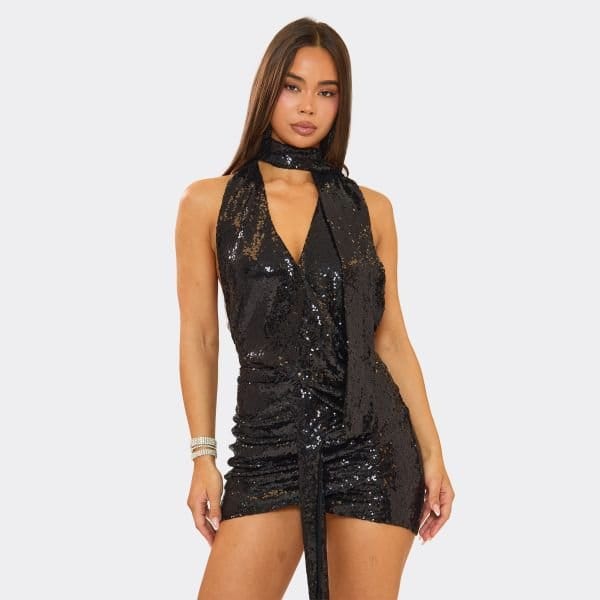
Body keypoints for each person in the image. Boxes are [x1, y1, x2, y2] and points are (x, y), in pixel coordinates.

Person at [175, 17, 455, 600]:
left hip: (372, 447)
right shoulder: (208, 202)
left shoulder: (372, 210)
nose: (308, 107)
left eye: (326, 92)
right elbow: (200, 337)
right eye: (293, 87)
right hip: (267, 444)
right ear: (267, 89)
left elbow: (390, 340)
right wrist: (202, 455)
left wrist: (434, 454)